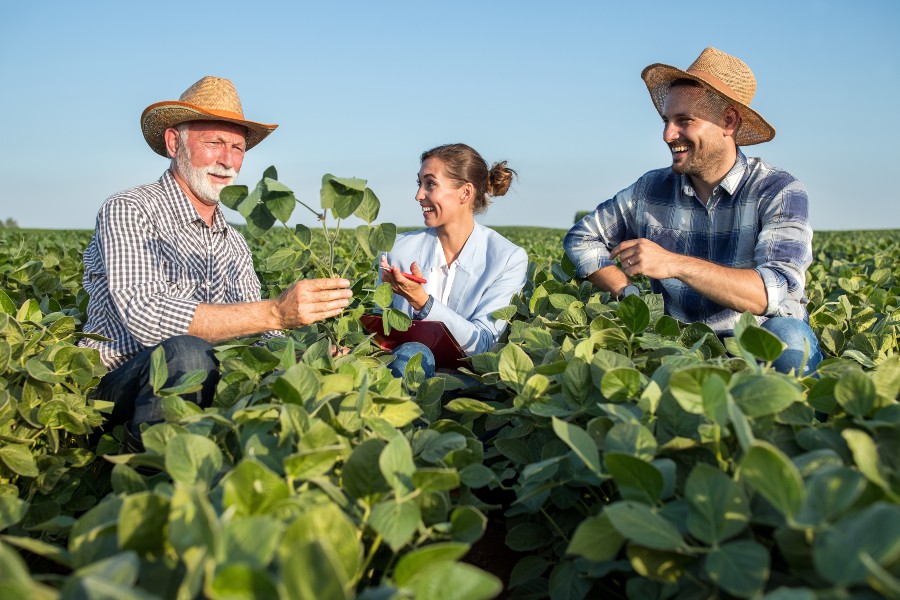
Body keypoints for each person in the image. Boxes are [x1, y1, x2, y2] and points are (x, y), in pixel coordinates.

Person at [80, 76, 353, 446]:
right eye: (214, 143)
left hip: (208, 381)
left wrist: (312, 354)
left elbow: (259, 337)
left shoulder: (234, 243)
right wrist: (275, 312)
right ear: (175, 141)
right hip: (119, 388)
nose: (227, 160)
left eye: (238, 148)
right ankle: (149, 486)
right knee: (188, 353)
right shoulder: (131, 209)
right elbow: (146, 315)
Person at [564, 47, 822, 376]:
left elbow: (771, 291)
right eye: (667, 122)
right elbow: (582, 238)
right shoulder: (650, 189)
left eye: (684, 121)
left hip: (754, 336)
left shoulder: (778, 190)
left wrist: (673, 263)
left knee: (791, 343)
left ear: (728, 121)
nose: (668, 135)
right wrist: (625, 290)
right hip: (679, 341)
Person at [380, 143, 529, 379]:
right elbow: (381, 327)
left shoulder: (506, 259)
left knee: (414, 353)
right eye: (419, 183)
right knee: (412, 355)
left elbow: (483, 344)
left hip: (470, 387)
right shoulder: (397, 249)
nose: (419, 195)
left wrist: (422, 302)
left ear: (465, 193)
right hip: (401, 376)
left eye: (430, 184)